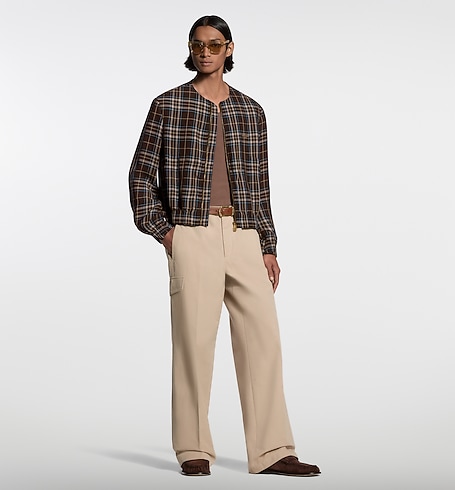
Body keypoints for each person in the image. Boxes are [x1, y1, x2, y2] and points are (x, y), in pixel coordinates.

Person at [128, 14, 320, 477]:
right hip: (192, 231)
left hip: (244, 233)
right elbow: (140, 175)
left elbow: (260, 185)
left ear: (229, 49)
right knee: (194, 344)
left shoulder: (251, 111)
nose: (206, 52)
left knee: (263, 341)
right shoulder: (167, 105)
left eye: (215, 44)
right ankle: (193, 448)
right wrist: (166, 232)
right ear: (190, 48)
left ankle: (273, 451)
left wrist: (268, 245)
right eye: (198, 44)